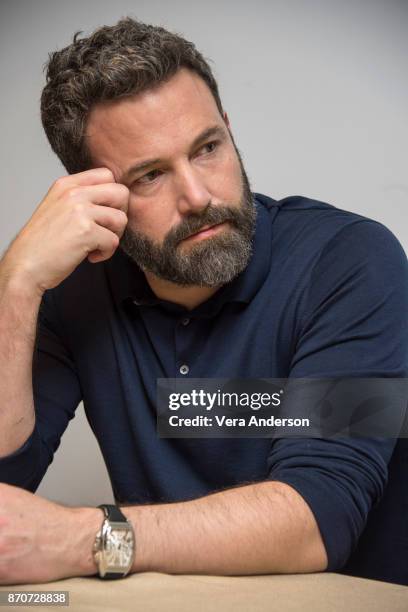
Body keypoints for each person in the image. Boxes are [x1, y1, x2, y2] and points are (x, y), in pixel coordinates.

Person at [0, 17, 407, 586]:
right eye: (149, 176)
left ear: (230, 132)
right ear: (93, 193)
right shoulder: (74, 293)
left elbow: (321, 514)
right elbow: (5, 492)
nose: (198, 196)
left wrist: (87, 538)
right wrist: (14, 286)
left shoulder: (348, 260)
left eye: (207, 148)